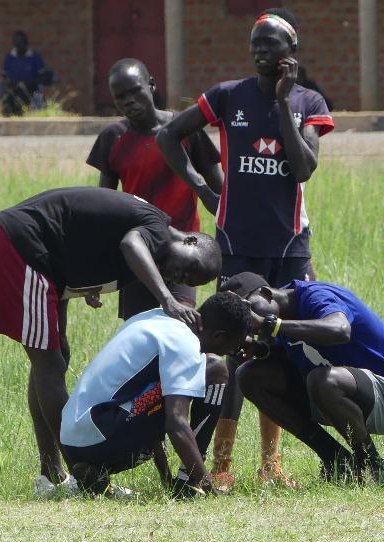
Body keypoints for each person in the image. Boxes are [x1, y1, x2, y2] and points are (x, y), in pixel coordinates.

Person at [157, 8, 334, 491]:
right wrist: (202, 189)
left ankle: (271, 462)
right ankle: (220, 464)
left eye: (271, 42)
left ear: (291, 51)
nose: (260, 49)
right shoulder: (226, 96)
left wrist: (281, 106)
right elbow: (168, 134)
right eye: (255, 42)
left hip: (289, 247)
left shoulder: (307, 101)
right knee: (232, 349)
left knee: (276, 345)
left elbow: (302, 169)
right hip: (237, 244)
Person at [0, 186, 222, 497]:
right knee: (49, 362)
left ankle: (52, 473)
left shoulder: (155, 242)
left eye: (186, 281)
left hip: (37, 255)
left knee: (53, 357)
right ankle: (79, 474)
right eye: (190, 268)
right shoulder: (159, 230)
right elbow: (130, 243)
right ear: (191, 239)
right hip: (20, 247)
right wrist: (167, 299)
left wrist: (88, 277)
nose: (180, 275)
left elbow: (90, 231)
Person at [88, 57, 229, 480]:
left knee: (186, 354)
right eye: (119, 97)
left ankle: (194, 461)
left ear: (152, 84)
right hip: (137, 265)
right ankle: (163, 468)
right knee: (142, 364)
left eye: (135, 92)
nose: (129, 102)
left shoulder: (183, 130)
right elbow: (106, 211)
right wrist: (97, 273)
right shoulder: (112, 139)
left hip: (186, 265)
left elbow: (218, 187)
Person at [226, 272, 384, 485]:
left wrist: (270, 325)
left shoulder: (315, 295)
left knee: (322, 380)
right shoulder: (277, 320)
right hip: (342, 395)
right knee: (249, 375)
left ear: (265, 294)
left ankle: (370, 464)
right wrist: (259, 349)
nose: (249, 321)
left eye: (248, 309)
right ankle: (337, 461)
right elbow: (290, 355)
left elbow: (340, 330)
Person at [61, 292, 254, 498]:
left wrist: (166, 478)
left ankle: (96, 473)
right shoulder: (186, 344)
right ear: (218, 336)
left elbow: (152, 403)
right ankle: (190, 480)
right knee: (216, 370)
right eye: (231, 347)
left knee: (170, 391)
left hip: (72, 441)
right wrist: (209, 488)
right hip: (102, 432)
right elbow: (175, 423)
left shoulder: (159, 317)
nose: (228, 353)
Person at [0, 31, 53, 115]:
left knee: (38, 92)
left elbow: (43, 76)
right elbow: (4, 76)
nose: (20, 46)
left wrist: (31, 81)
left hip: (31, 89)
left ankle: (36, 111)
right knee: (3, 89)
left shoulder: (34, 57)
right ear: (14, 44)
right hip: (14, 89)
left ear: (26, 43)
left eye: (22, 43)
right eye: (18, 44)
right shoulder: (9, 58)